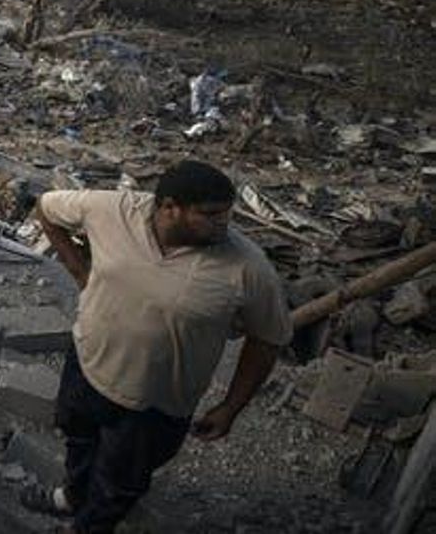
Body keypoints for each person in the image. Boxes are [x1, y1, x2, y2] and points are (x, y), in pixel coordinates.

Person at [23, 161, 292, 534]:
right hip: (87, 364)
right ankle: (72, 495)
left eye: (227, 214)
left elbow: (267, 341)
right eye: (210, 214)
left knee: (121, 481)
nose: (223, 224)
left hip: (154, 405)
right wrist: (80, 272)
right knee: (79, 439)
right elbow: (46, 207)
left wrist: (231, 406)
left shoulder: (248, 267)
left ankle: (88, 527)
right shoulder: (111, 210)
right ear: (169, 208)